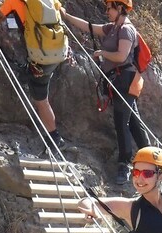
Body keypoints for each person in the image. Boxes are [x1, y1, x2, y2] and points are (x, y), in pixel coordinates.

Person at [62, 0, 150, 185]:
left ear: (119, 8)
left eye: (109, 8)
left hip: (125, 79)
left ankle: (124, 165)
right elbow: (89, 27)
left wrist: (102, 53)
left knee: (121, 122)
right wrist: (65, 15)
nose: (106, 11)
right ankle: (150, 155)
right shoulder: (112, 28)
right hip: (119, 79)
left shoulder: (126, 29)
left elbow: (121, 55)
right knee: (132, 120)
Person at [0, 0, 68, 150]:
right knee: (36, 83)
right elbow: (62, 13)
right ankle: (26, 73)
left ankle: (55, 139)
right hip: (57, 52)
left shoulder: (14, 1)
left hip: (40, 57)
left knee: (41, 100)